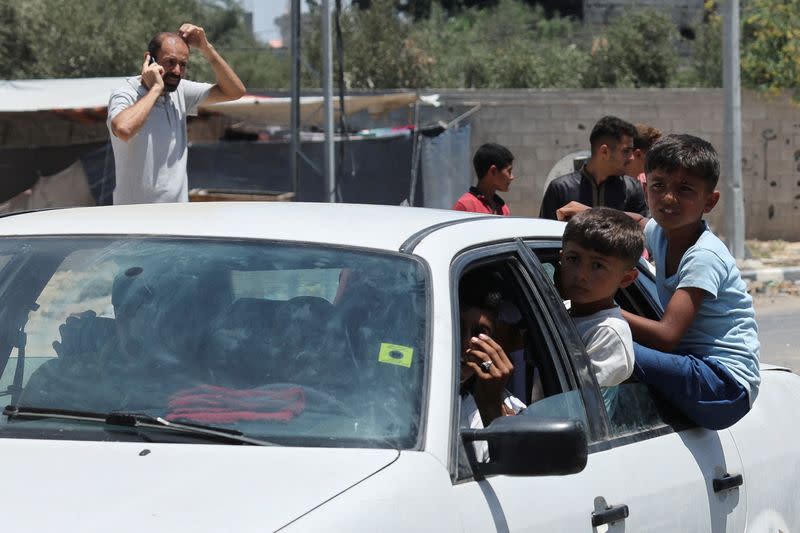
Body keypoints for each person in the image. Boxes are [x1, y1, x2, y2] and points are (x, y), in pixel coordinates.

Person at [621, 134, 760, 430]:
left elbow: (668, 335)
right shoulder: (661, 232)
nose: (668, 198)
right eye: (659, 186)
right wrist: (590, 214)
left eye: (685, 190)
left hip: (725, 385)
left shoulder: (704, 255)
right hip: (697, 371)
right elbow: (636, 222)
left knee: (608, 339)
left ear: (709, 201)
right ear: (646, 190)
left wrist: (602, 311)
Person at [107, 23, 246, 205]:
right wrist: (156, 89)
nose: (177, 71)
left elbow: (235, 91)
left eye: (183, 64)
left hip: (177, 220)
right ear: (150, 60)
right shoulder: (125, 93)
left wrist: (207, 49)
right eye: (170, 62)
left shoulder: (180, 92)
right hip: (136, 221)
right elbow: (124, 129)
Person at [560, 207, 642, 414]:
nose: (581, 275)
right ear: (561, 259)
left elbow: (586, 415)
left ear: (626, 279)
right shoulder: (564, 309)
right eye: (573, 259)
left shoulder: (609, 333)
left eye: (597, 265)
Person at [458, 275, 524, 462]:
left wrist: (491, 407)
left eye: (479, 334)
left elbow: (514, 470)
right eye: (455, 326)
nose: (465, 344)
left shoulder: (509, 407)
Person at [540, 115, 648, 222]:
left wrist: (588, 213)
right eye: (626, 151)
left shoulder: (633, 189)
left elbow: (644, 229)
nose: (631, 157)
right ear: (604, 152)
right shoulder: (560, 189)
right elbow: (544, 234)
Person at [452, 143, 515, 215]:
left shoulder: (503, 209)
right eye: (509, 171)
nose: (512, 177)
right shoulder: (465, 206)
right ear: (493, 171)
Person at [630, 123, 663, 194]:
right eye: (654, 155)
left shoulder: (648, 180)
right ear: (638, 154)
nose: (658, 160)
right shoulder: (615, 185)